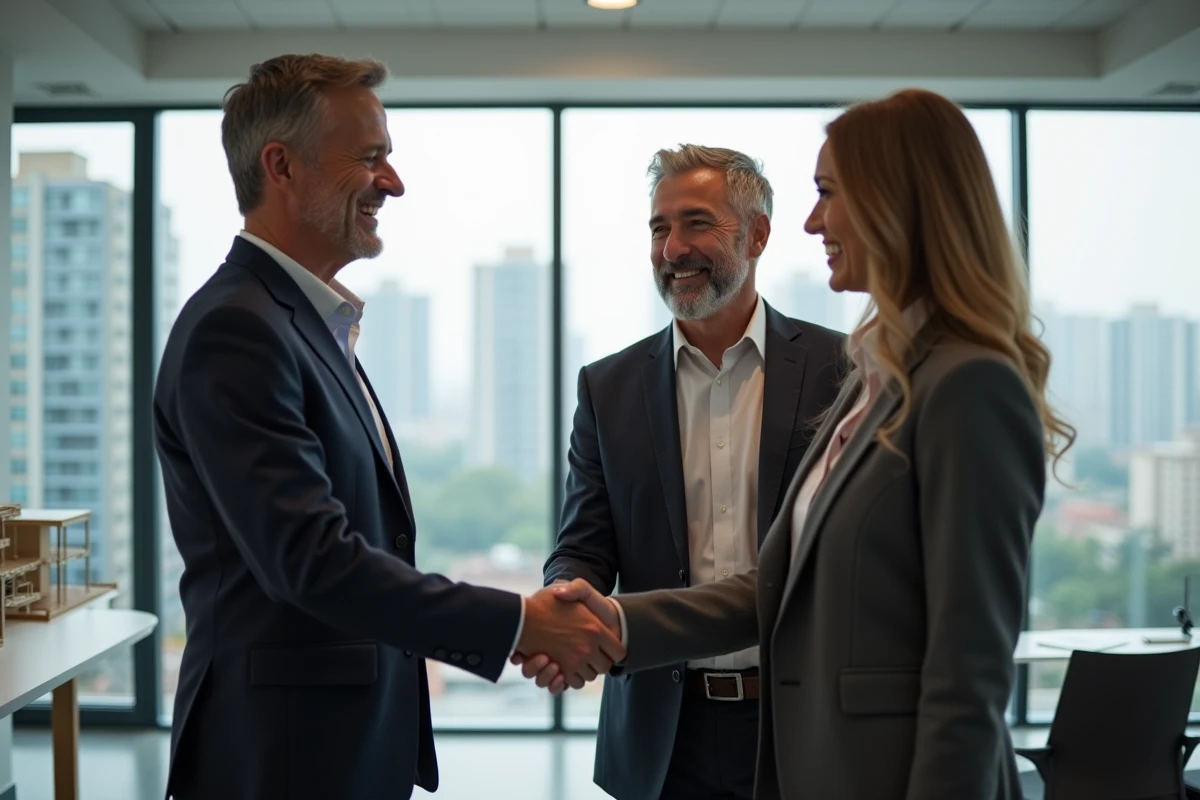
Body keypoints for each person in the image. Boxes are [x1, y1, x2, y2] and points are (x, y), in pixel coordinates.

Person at [525, 88, 1075, 800]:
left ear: (897, 203)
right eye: (659, 227)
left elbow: (967, 669)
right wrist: (606, 618)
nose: (813, 222)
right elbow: (780, 586)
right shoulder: (878, 376)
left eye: (827, 193)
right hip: (719, 745)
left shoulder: (963, 381)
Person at [153, 54, 622, 800]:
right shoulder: (235, 332)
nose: (393, 183)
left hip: (334, 746)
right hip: (279, 758)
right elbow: (312, 560)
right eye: (370, 158)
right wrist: (518, 624)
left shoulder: (302, 321)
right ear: (282, 165)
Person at [539, 145, 843, 800]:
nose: (673, 247)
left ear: (757, 234)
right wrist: (566, 606)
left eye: (696, 223)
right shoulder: (608, 387)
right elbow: (583, 544)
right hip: (658, 735)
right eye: (659, 227)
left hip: (801, 724)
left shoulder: (842, 371)